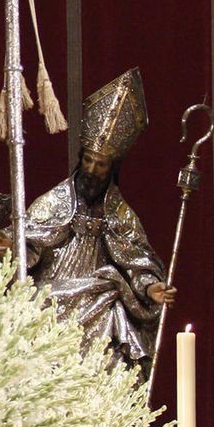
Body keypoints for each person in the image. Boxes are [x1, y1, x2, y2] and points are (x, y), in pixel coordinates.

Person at [21, 67, 175, 374]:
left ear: (111, 168)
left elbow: (138, 262)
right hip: (53, 300)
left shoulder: (121, 215)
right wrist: (14, 249)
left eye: (100, 164)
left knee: (114, 310)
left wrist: (149, 287)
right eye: (88, 160)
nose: (92, 170)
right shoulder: (52, 203)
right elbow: (28, 246)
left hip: (102, 304)